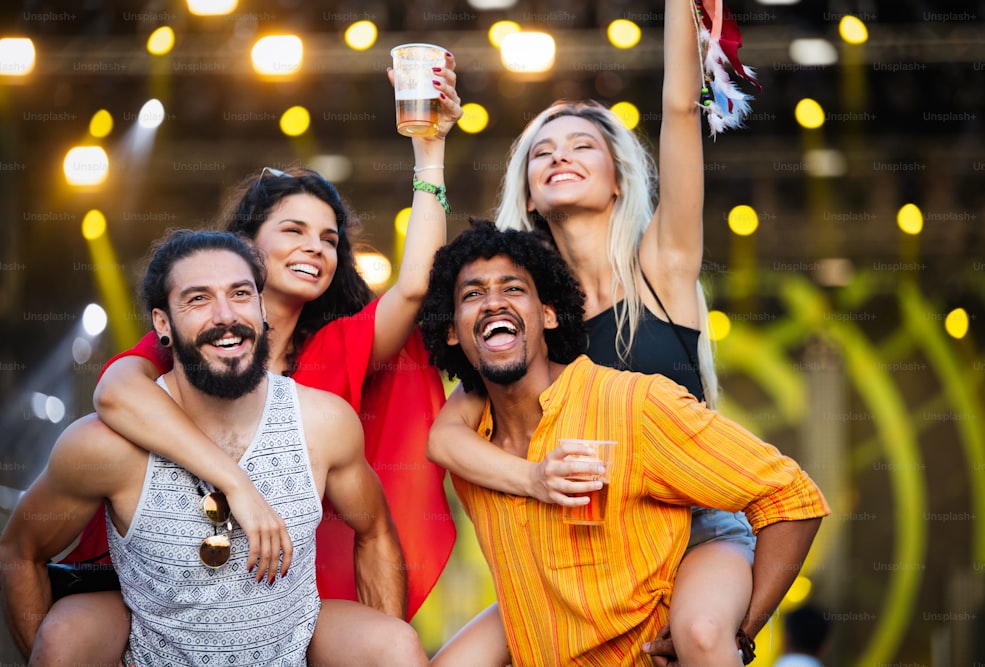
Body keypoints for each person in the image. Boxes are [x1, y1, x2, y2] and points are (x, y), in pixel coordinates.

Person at [31, 59, 462, 663]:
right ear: (245, 245)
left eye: (329, 238)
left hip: (288, 591)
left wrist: (430, 153)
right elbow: (114, 394)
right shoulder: (186, 341)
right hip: (167, 591)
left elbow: (415, 286)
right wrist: (237, 485)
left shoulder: (337, 348)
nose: (315, 246)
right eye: (294, 230)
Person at [426, 1, 779, 664]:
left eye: (583, 145)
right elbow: (446, 439)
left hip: (692, 528)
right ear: (528, 194)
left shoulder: (662, 267)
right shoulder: (523, 314)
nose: (560, 156)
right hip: (578, 545)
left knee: (702, 637)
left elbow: (679, 110)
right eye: (543, 153)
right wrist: (533, 478)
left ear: (618, 176)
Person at [0, 230, 428, 665]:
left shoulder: (322, 422)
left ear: (262, 309)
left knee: (396, 644)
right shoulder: (104, 445)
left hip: (293, 650)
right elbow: (19, 551)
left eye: (240, 294)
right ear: (163, 324)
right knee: (64, 636)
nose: (226, 315)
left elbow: (375, 533)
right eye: (198, 299)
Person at [418, 220, 829, 666]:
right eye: (472, 294)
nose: (494, 301)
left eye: (513, 289)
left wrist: (742, 633)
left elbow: (791, 496)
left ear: (549, 315)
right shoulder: (472, 450)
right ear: (452, 332)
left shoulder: (633, 404)